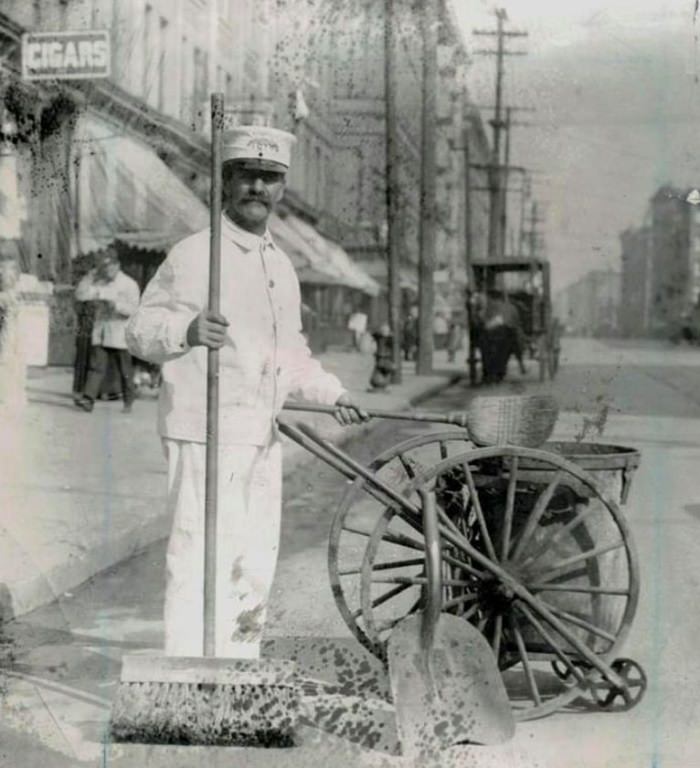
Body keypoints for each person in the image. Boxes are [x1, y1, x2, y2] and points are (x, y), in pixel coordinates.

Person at [126, 125, 369, 659]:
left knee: (255, 556)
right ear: (226, 182)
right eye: (246, 177)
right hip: (204, 429)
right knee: (199, 552)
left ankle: (238, 663)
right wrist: (186, 332)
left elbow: (292, 351)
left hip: (260, 433)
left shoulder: (279, 264)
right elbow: (139, 331)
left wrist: (331, 393)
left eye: (269, 178)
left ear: (281, 187)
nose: (258, 188)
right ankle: (189, 668)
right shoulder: (195, 255)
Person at [74, 248, 140, 413]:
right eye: (104, 267)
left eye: (110, 266)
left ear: (118, 265)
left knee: (125, 370)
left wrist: (116, 306)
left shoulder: (129, 284)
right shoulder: (100, 282)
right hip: (102, 331)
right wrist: (89, 277)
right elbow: (80, 295)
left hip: (120, 332)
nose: (107, 270)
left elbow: (135, 310)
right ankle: (88, 400)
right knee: (96, 367)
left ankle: (128, 401)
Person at [368, 322, 395, 391]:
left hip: (386, 357)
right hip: (379, 356)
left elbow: (392, 349)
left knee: (384, 370)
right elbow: (373, 334)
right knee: (379, 369)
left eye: (386, 331)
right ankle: (378, 383)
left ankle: (382, 383)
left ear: (389, 331)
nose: (384, 332)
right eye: (383, 330)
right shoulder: (379, 337)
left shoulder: (390, 339)